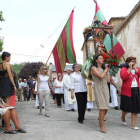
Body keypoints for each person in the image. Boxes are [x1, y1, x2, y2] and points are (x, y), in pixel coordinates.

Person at [91, 55, 110, 133]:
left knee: (106, 107)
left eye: (103, 58)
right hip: (98, 88)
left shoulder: (104, 69)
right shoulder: (93, 68)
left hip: (105, 88)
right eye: (100, 58)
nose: (103, 60)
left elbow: (108, 81)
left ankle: (101, 117)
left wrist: (107, 71)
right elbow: (101, 76)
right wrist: (105, 70)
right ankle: (101, 125)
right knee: (102, 107)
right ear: (96, 60)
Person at [120, 57, 140, 130]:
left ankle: (133, 124)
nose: (134, 63)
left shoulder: (136, 69)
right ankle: (123, 117)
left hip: (136, 90)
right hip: (127, 91)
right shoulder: (124, 69)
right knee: (126, 109)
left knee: (135, 109)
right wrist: (129, 69)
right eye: (132, 61)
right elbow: (124, 77)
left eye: (135, 61)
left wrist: (135, 70)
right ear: (128, 62)